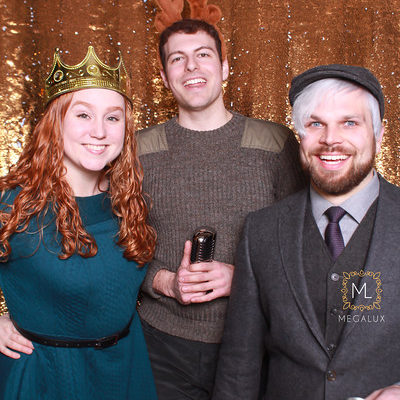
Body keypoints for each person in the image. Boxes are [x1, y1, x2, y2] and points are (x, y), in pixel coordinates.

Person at [136, 17, 305, 400]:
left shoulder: (275, 144)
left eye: (203, 55)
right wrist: (165, 282)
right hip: (160, 345)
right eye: (177, 59)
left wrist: (244, 279)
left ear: (225, 68)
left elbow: (302, 243)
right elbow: (116, 244)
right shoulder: (138, 150)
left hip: (254, 342)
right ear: (164, 77)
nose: (191, 66)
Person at [212, 64, 400, 400]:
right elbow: (239, 365)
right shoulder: (261, 230)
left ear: (379, 133)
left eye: (350, 122)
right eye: (316, 124)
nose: (330, 140)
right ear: (300, 135)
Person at [0, 46, 158, 400]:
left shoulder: (129, 200)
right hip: (45, 378)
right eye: (84, 115)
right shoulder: (13, 203)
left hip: (124, 370)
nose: (99, 131)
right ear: (55, 121)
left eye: (113, 118)